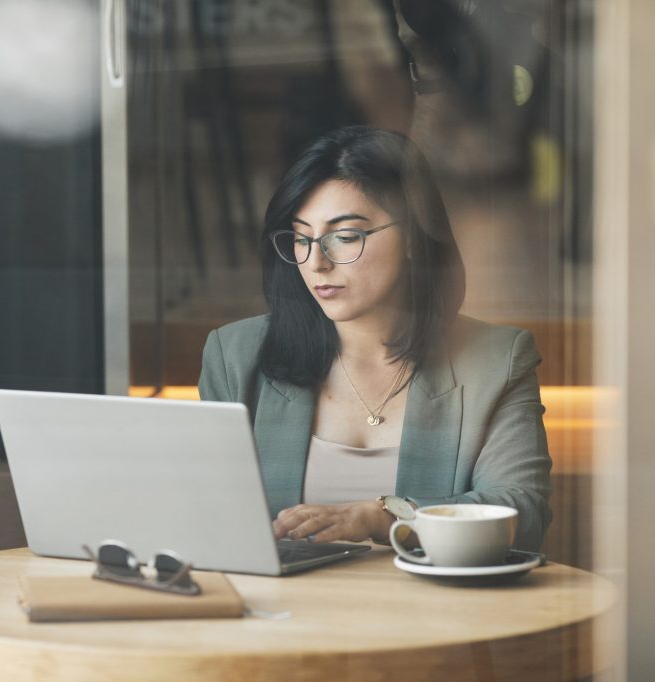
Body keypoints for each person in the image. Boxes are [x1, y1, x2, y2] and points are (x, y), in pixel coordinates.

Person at [198, 126, 552, 552]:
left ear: (413, 236)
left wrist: (379, 516)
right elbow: (206, 515)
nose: (316, 263)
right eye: (300, 238)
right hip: (285, 612)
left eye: (345, 236)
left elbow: (520, 512)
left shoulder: (496, 360)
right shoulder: (235, 355)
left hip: (436, 611)